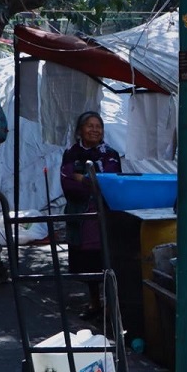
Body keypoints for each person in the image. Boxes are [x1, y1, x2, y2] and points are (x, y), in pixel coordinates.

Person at [60, 111, 122, 320]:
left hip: (104, 213)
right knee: (86, 260)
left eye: (99, 126)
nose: (95, 129)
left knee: (107, 258)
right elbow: (68, 184)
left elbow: (108, 182)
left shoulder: (110, 153)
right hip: (81, 216)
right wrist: (90, 180)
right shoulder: (71, 152)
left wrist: (83, 177)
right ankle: (94, 301)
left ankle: (111, 303)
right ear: (80, 130)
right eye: (90, 125)